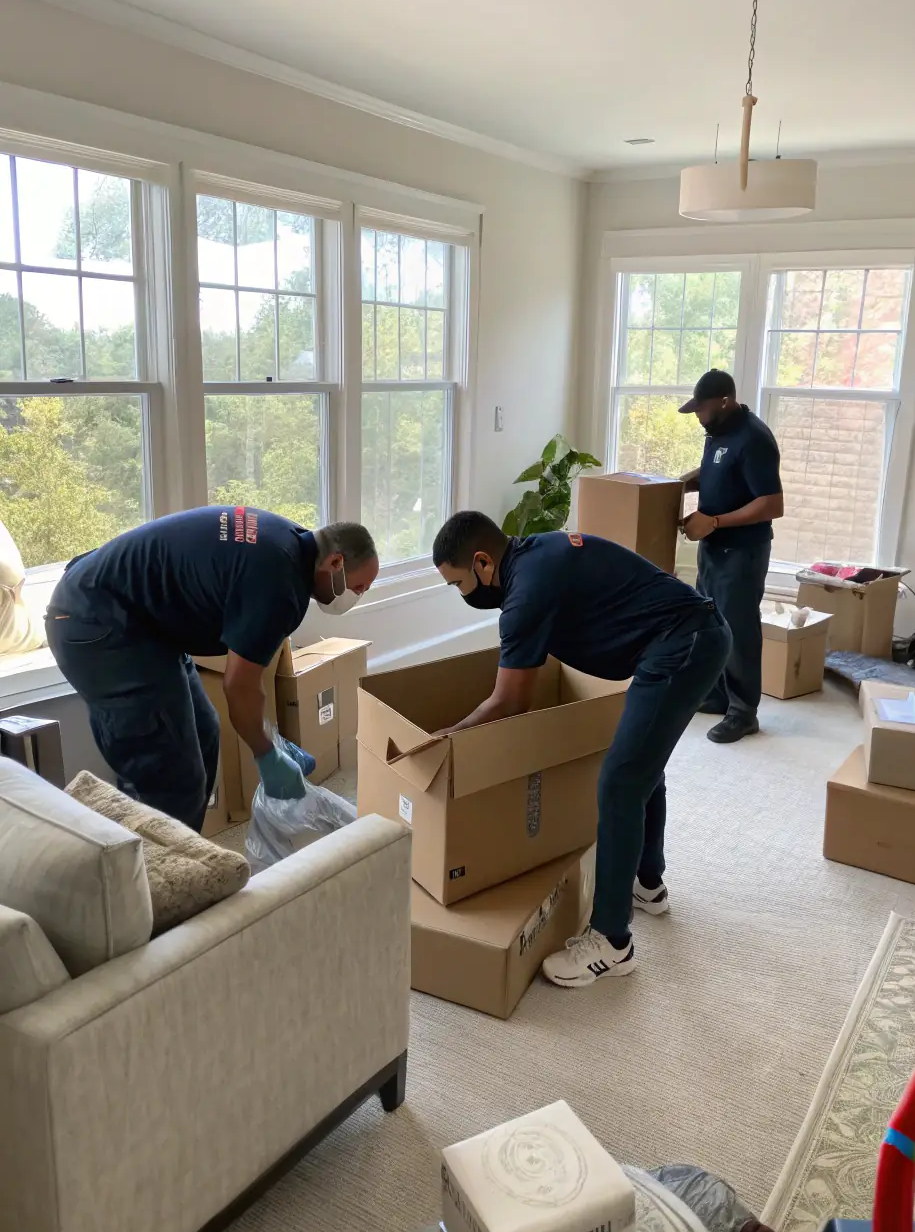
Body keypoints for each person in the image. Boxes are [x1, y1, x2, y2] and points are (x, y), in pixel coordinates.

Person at [432, 511, 731, 989]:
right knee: (639, 765)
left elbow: (509, 700)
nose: (462, 594)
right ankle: (646, 883)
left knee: (619, 782)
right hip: (690, 635)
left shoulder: (525, 594)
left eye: (458, 583)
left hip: (684, 644)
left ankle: (612, 942)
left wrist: (445, 737)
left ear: (483, 563)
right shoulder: (535, 555)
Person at [45, 508, 379, 833]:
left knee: (205, 733)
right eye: (359, 587)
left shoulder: (289, 540)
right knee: (170, 778)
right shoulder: (280, 584)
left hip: (138, 622)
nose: (356, 597)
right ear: (335, 562)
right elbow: (239, 685)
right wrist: (266, 755)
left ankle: (183, 855)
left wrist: (269, 740)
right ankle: (159, 879)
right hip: (98, 625)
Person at [679, 370, 783, 744]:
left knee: (738, 629)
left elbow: (772, 503)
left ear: (724, 401)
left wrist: (716, 521)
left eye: (701, 409)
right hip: (714, 549)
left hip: (742, 551)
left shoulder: (753, 438)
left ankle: (743, 712)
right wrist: (684, 482)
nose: (698, 417)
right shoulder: (718, 432)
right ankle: (719, 694)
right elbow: (718, 472)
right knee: (709, 624)